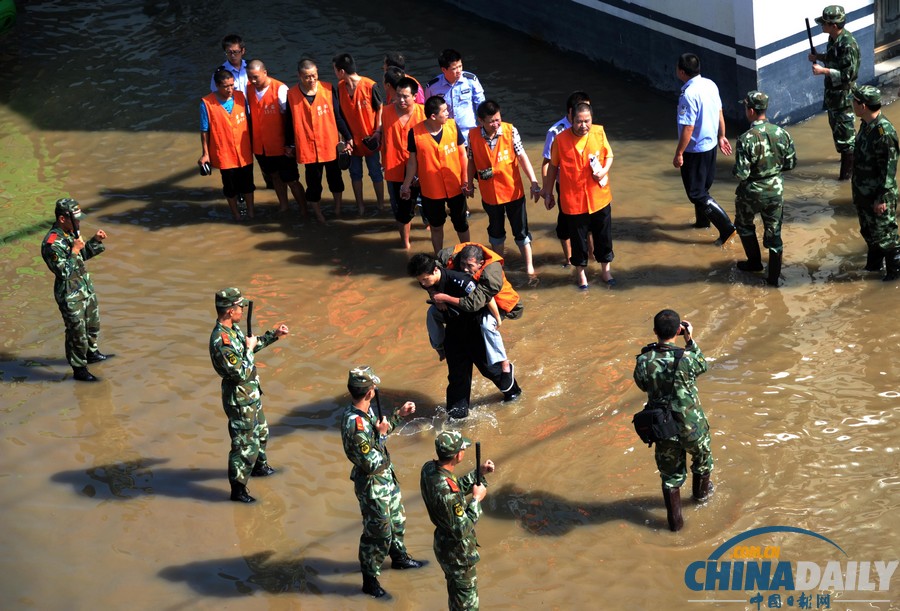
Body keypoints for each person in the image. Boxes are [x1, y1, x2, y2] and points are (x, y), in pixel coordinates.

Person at [340, 366, 424, 598]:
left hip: (385, 479)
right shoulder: (355, 424)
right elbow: (369, 461)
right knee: (377, 534)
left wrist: (398, 415)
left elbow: (377, 433)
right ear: (368, 393)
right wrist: (384, 435)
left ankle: (399, 558)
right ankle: (370, 580)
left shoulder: (364, 412)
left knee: (397, 521)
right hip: (373, 485)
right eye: (373, 387)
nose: (376, 389)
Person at [633, 309, 713, 532]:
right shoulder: (688, 357)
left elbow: (642, 385)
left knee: (670, 478)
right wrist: (690, 339)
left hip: (664, 427)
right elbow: (702, 365)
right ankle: (700, 500)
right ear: (679, 330)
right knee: (703, 462)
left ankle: (675, 527)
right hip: (693, 425)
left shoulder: (643, 361)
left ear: (654, 332)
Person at [209, 287, 289, 503]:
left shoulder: (232, 330)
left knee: (261, 433)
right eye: (239, 307)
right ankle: (238, 490)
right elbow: (240, 371)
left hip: (250, 394)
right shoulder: (221, 341)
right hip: (239, 399)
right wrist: (248, 349)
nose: (242, 311)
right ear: (228, 311)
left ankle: (259, 467)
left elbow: (249, 348)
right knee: (244, 444)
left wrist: (274, 335)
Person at [420, 431, 495, 611]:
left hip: (443, 545)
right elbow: (462, 529)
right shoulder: (448, 492)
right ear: (457, 455)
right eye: (462, 448)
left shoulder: (429, 469)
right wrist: (476, 500)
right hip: (457, 554)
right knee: (466, 604)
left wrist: (478, 473)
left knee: (456, 596)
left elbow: (452, 487)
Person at [543, 102, 616, 289]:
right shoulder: (560, 139)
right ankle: (581, 274)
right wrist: (548, 192)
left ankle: (605, 270)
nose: (583, 125)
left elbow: (609, 155)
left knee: (603, 236)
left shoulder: (599, 133)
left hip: (598, 197)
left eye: (587, 121)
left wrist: (604, 170)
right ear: (571, 119)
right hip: (573, 200)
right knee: (578, 239)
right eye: (578, 121)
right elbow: (552, 167)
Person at [41, 198, 111, 382]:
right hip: (70, 294)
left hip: (84, 287)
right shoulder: (52, 243)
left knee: (92, 325)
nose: (79, 223)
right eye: (76, 219)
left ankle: (92, 353)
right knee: (76, 332)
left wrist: (94, 241)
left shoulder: (70, 233)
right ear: (62, 219)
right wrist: (74, 250)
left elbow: (82, 255)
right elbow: (63, 272)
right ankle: (79, 369)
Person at [467, 100, 540, 278]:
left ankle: (529, 267)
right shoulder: (473, 135)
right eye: (491, 121)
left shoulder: (510, 131)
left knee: (521, 230)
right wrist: (468, 183)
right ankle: (499, 266)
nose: (495, 124)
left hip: (513, 191)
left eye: (497, 119)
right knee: (496, 230)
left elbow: (522, 156)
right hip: (490, 194)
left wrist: (534, 181)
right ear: (481, 121)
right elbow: (471, 161)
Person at [732, 90, 797, 286]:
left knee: (744, 225)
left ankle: (754, 263)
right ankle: (773, 279)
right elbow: (791, 164)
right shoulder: (782, 133)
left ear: (751, 110)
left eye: (746, 108)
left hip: (751, 192)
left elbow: (741, 174)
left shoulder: (745, 139)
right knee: (774, 233)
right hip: (775, 191)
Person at [673, 52, 736, 245]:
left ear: (682, 72)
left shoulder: (688, 94)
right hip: (710, 146)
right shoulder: (710, 84)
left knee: (696, 193)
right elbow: (719, 112)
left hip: (695, 150)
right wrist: (722, 136)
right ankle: (702, 224)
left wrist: (679, 153)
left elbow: (688, 127)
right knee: (703, 189)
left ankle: (726, 227)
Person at [407, 252, 505, 369]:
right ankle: (439, 347)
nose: (423, 283)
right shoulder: (427, 281)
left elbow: (486, 297)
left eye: (425, 279)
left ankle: (503, 361)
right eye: (420, 281)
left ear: (435, 270)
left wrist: (498, 318)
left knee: (487, 328)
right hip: (457, 316)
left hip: (482, 309)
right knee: (432, 313)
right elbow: (428, 286)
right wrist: (435, 297)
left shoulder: (459, 279)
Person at [400, 96, 471, 254]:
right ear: (433, 116)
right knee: (436, 226)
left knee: (461, 223)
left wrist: (466, 181)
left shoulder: (452, 126)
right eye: (444, 111)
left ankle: (468, 254)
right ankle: (439, 257)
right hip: (431, 190)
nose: (448, 113)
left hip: (456, 186)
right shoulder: (415, 133)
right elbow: (412, 163)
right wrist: (406, 185)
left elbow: (463, 155)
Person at [285, 57, 353, 222]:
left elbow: (338, 117)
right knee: (313, 184)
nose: (312, 80)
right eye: (307, 76)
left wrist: (349, 137)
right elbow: (288, 122)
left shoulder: (329, 89)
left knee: (335, 180)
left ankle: (337, 209)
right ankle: (318, 214)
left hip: (329, 145)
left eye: (314, 75)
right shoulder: (292, 94)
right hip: (308, 148)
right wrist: (288, 145)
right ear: (300, 76)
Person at [245, 59, 308, 216]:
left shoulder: (280, 89)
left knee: (291, 179)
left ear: (265, 73)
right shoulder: (249, 89)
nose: (252, 81)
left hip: (281, 146)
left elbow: (291, 120)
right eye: (249, 77)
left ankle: (304, 209)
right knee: (274, 177)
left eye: (256, 77)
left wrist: (291, 144)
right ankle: (284, 207)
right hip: (262, 146)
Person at [850, 85, 900, 280]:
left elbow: (888, 171)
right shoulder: (866, 125)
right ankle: (873, 268)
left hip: (878, 196)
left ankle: (894, 277)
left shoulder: (883, 133)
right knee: (870, 234)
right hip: (864, 193)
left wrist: (881, 199)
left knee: (887, 238)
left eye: (854, 101)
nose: (852, 105)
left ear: (862, 106)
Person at [808, 5, 860, 180]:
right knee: (839, 135)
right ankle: (848, 161)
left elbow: (847, 76)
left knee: (846, 140)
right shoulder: (833, 39)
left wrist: (824, 71)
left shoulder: (848, 44)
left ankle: (846, 177)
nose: (822, 25)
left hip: (843, 98)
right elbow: (834, 58)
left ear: (834, 25)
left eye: (825, 23)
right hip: (833, 96)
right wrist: (819, 57)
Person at [542, 91, 591, 268]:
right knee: (566, 223)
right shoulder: (556, 132)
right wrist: (547, 192)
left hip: (588, 185)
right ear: (571, 112)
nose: (586, 113)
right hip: (565, 186)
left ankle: (591, 257)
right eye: (581, 109)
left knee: (590, 223)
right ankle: (569, 259)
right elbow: (547, 163)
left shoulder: (590, 129)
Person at [199, 68, 255, 221]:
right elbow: (205, 130)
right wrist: (205, 154)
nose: (230, 89)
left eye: (232, 85)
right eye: (226, 86)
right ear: (217, 86)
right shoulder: (207, 103)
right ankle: (236, 215)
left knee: (248, 185)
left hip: (243, 151)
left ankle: (251, 213)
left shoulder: (240, 97)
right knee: (230, 188)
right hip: (224, 153)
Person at [333, 52, 386, 215]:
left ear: (341, 71)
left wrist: (378, 131)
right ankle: (360, 206)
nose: (335, 73)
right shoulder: (340, 88)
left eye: (335, 70)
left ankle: (380, 205)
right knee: (355, 174)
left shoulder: (370, 85)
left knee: (375, 172)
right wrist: (344, 138)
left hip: (370, 139)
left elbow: (380, 109)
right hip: (351, 141)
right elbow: (339, 114)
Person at [378, 73, 426, 249]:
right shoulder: (386, 111)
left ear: (414, 96)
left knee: (428, 203)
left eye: (405, 96)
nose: (401, 99)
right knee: (401, 209)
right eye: (398, 95)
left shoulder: (424, 113)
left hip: (421, 168)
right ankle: (405, 244)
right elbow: (381, 133)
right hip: (394, 167)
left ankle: (428, 228)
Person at [424, 48, 485, 145]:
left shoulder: (471, 81)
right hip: (446, 136)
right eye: (454, 68)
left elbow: (481, 105)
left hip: (469, 135)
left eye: (460, 66)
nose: (459, 71)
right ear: (444, 69)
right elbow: (428, 112)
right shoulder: (433, 87)